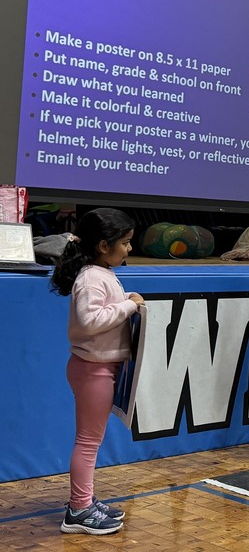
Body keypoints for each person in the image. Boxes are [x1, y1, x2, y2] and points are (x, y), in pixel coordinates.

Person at [51, 208, 143, 535]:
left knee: (91, 440)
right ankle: (78, 510)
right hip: (93, 370)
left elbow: (104, 310)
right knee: (88, 442)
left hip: (99, 368)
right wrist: (129, 305)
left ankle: (84, 500)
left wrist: (126, 300)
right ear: (104, 245)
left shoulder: (101, 272)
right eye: (125, 243)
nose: (129, 249)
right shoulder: (91, 278)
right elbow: (91, 321)